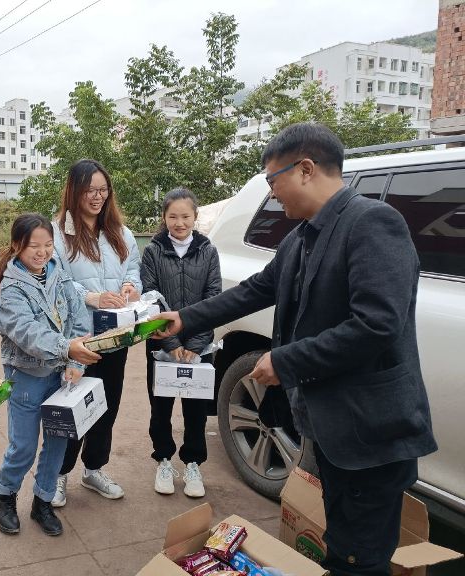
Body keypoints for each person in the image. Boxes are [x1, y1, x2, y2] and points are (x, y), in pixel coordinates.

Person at [155, 122, 437, 576]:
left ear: (305, 169)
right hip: (334, 428)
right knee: (341, 543)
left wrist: (285, 361)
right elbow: (255, 290)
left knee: (360, 559)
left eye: (273, 180)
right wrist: (186, 318)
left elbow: (376, 325)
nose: (271, 193)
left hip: (370, 433)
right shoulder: (303, 236)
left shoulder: (372, 223)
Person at [0, 213, 100, 536]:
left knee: (57, 442)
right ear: (17, 246)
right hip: (26, 376)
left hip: (61, 375)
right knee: (23, 446)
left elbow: (79, 319)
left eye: (48, 245)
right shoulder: (11, 288)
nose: (42, 253)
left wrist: (75, 364)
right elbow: (27, 333)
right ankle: (5, 496)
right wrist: (68, 349)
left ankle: (43, 500)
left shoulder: (58, 273)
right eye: (33, 246)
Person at [50, 158, 142, 507]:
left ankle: (94, 469)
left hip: (115, 336)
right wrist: (92, 297)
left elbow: (133, 268)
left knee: (106, 407)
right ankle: (58, 473)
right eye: (89, 190)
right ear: (74, 191)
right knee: (72, 406)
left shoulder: (121, 233)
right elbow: (54, 281)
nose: (97, 197)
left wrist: (130, 286)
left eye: (103, 190)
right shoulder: (57, 234)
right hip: (79, 338)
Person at [139, 187, 222, 498]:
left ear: (195, 216)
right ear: (164, 217)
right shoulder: (153, 251)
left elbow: (214, 299)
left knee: (196, 410)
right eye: (173, 216)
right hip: (161, 343)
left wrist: (195, 345)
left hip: (200, 347)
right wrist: (172, 344)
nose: (179, 223)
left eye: (185, 216)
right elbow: (150, 298)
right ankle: (163, 460)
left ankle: (193, 464)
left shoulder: (208, 251)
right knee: (160, 407)